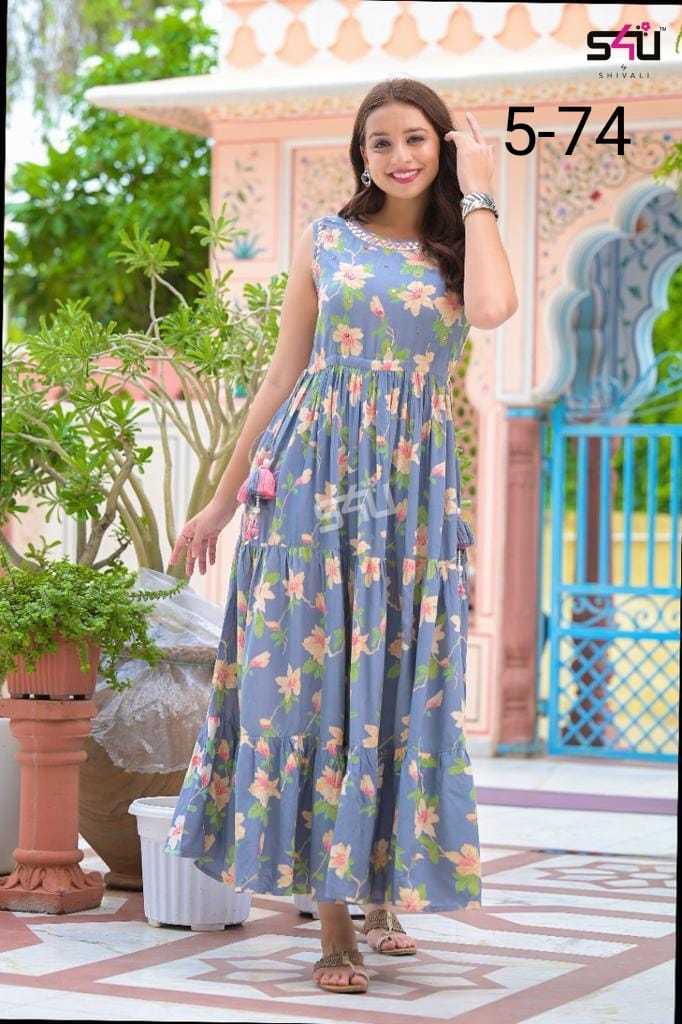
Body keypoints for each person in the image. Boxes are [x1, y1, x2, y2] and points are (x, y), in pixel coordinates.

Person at [164, 77, 518, 995]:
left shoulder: (461, 244)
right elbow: (283, 374)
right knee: (317, 682)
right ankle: (333, 925)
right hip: (314, 481)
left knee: (395, 676)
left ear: (442, 147)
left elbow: (492, 311)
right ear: (361, 156)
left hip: (409, 490)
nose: (398, 156)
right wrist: (222, 501)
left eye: (416, 139)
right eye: (380, 142)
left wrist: (480, 188)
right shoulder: (327, 238)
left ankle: (385, 895)